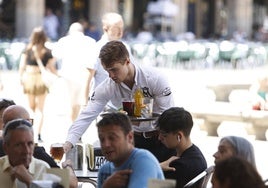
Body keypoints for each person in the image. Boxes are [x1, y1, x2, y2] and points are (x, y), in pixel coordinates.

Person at [64, 40, 176, 162]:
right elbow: (86, 115)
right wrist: (68, 143)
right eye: (107, 71)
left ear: (127, 61)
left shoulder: (155, 78)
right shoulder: (108, 86)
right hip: (133, 141)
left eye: (114, 69)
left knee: (161, 181)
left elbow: (168, 115)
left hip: (160, 139)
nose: (111, 75)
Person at [0, 118, 78, 188]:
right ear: (6, 148)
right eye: (19, 145)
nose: (26, 151)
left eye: (30, 144)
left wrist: (30, 182)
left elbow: (72, 185)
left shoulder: (42, 168)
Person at [97, 112, 164, 188]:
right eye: (102, 139)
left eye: (112, 138)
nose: (106, 145)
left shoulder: (144, 160)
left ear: (130, 137)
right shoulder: (104, 170)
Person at [19, 26, 58, 142]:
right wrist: (58, 75)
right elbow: (51, 68)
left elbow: (22, 66)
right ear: (44, 37)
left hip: (29, 78)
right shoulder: (47, 52)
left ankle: (30, 132)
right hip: (41, 79)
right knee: (40, 110)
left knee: (31, 109)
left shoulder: (27, 50)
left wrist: (20, 78)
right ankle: (39, 134)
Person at [52, 22, 97, 123]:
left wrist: (56, 73)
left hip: (68, 76)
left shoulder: (63, 41)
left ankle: (74, 127)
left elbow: (52, 61)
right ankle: (77, 129)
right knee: (82, 104)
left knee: (72, 105)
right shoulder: (91, 41)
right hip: (85, 76)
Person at [157, 107, 207, 188]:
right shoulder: (195, 153)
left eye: (164, 135)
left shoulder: (180, 167)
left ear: (179, 136)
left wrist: (156, 167)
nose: (159, 138)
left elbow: (149, 185)